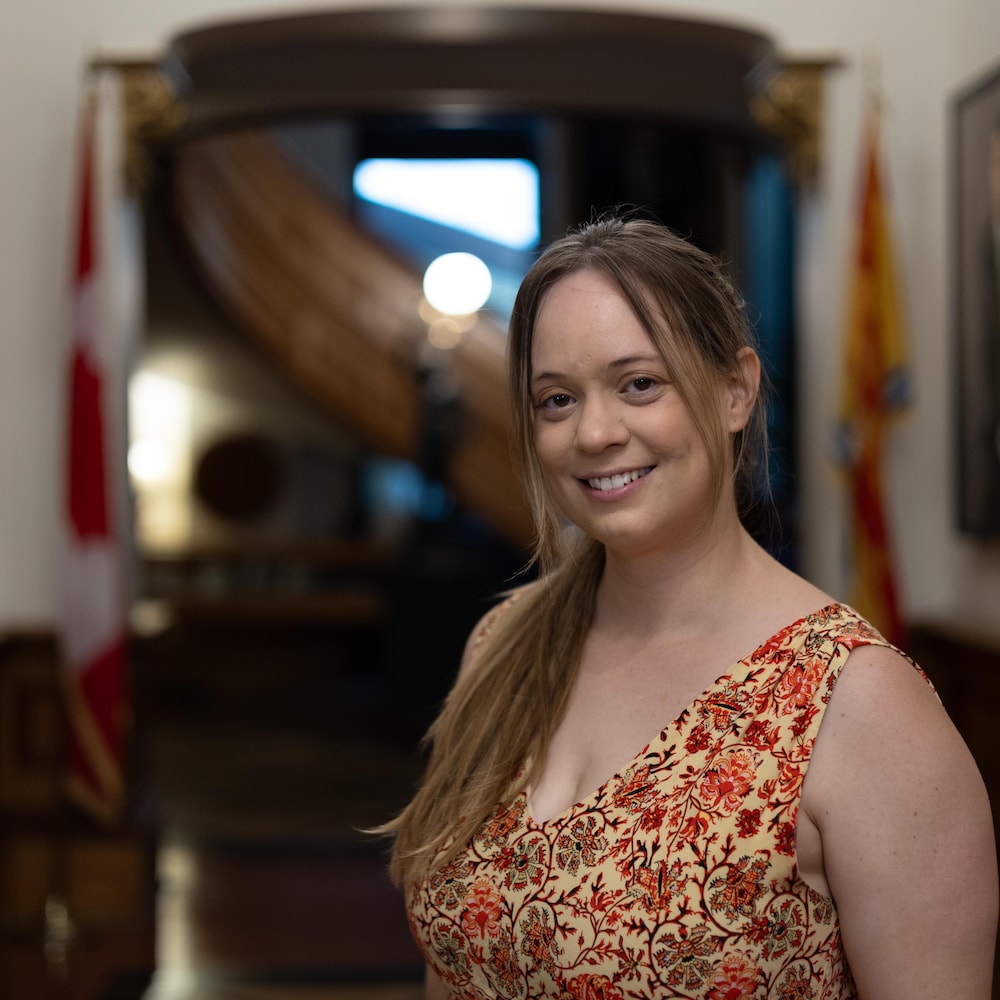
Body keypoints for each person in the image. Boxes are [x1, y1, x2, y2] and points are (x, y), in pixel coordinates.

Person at [381, 216, 998, 998]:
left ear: (735, 389)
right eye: (557, 400)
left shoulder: (858, 704)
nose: (596, 433)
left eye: (640, 383)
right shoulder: (501, 644)